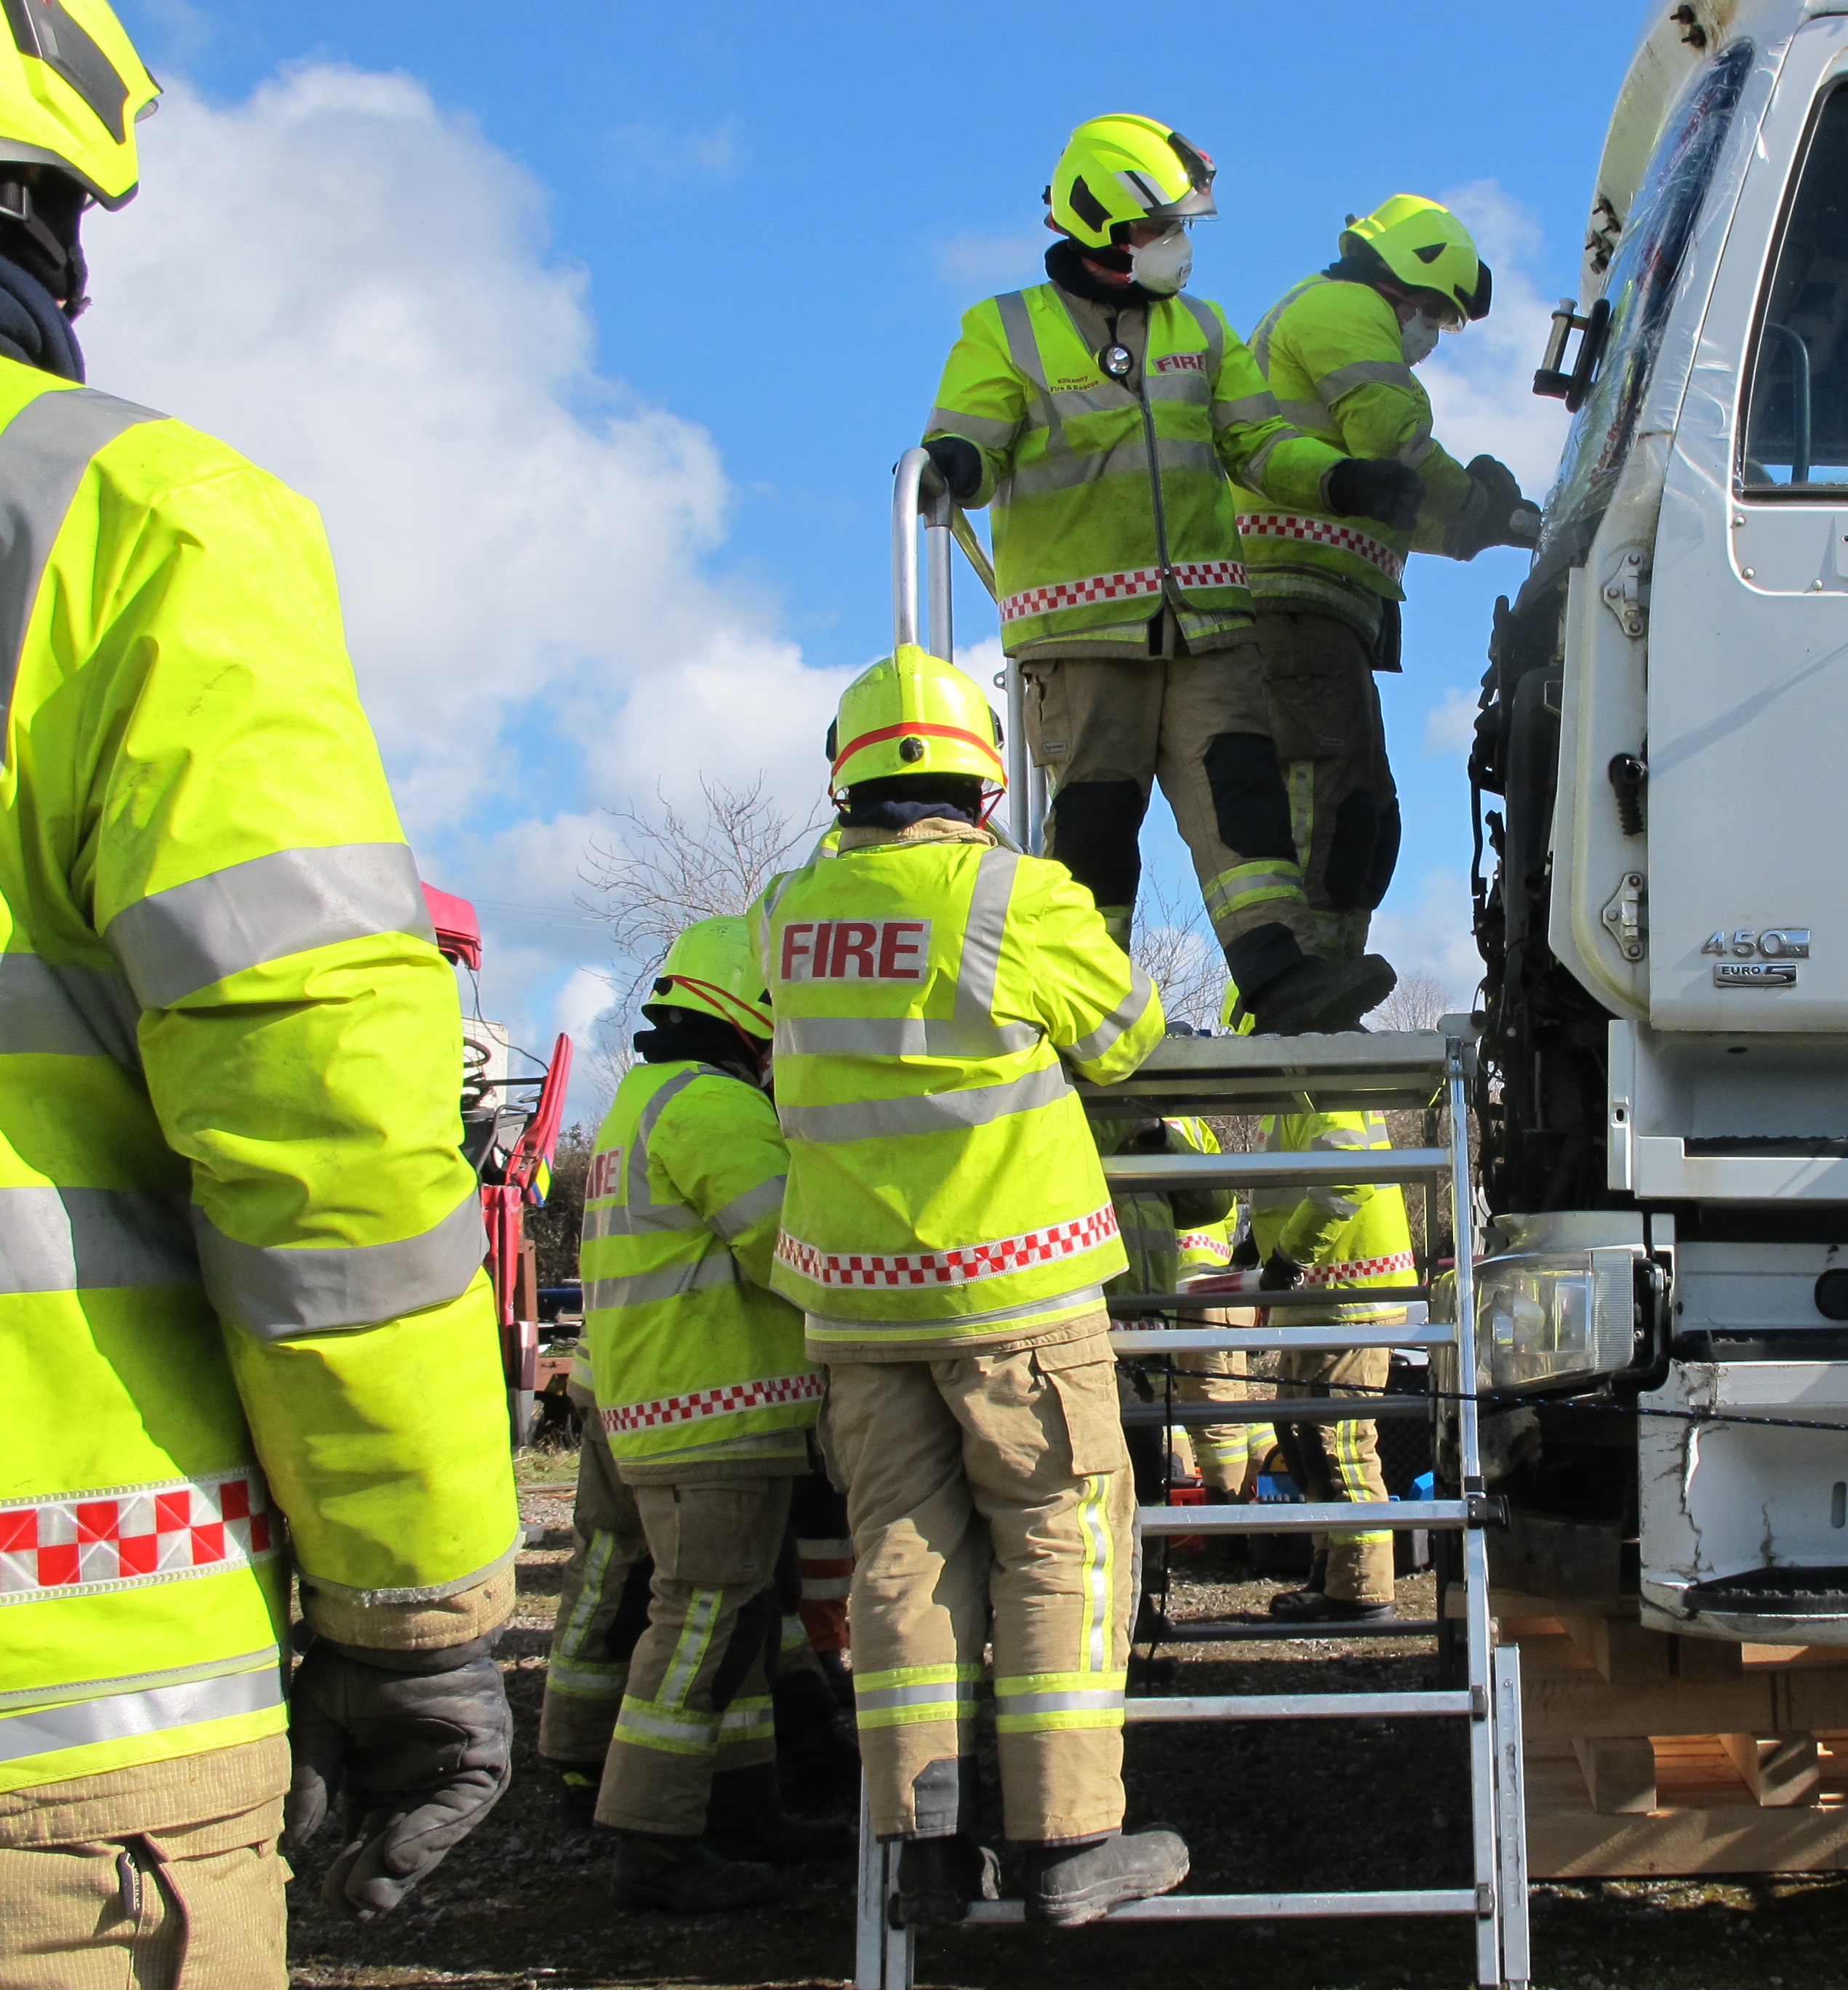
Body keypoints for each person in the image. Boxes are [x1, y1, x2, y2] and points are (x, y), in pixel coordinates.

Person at [0, 7, 519, 1979]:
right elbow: (328, 1149)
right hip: (61, 1719)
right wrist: (418, 1625)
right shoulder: (128, 523)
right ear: (56, 221)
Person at [752, 644, 1187, 1927]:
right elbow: (1126, 1038)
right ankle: (1065, 1845)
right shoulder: (1015, 897)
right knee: (1058, 1544)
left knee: (901, 1558)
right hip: (1016, 1295)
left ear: (843, 786)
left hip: (854, 1304)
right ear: (986, 789)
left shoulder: (784, 911)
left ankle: (926, 1851)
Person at [921, 113, 1421, 1036]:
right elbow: (973, 444)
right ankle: (1085, 1008)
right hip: (1082, 637)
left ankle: (1278, 976)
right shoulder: (1004, 333)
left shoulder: (1203, 328)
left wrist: (1341, 476)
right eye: (1162, 228)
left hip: (1207, 627)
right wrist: (953, 461)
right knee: (1096, 830)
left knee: (1245, 803)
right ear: (1108, 226)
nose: (1179, 246)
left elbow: (1260, 442)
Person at [560, 916, 842, 1909]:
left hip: (672, 1411)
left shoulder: (647, 1098)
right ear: (750, 1010)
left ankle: (744, 1809)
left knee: (744, 1627)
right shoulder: (712, 1110)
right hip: (716, 1418)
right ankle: (655, 1844)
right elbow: (792, 1250)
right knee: (703, 1629)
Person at [1235, 194, 1539, 959]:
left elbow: (1394, 503)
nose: (1432, 333)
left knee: (1364, 811)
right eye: (1433, 312)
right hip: (1289, 598)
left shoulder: (1337, 316)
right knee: (1325, 799)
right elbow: (1398, 443)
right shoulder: (1340, 310)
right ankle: (1297, 983)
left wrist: (1487, 528)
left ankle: (1325, 978)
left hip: (1326, 608)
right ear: (1402, 280)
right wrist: (1482, 503)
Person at [1224, 991, 1420, 1623]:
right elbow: (1294, 1180)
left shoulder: (1324, 1081)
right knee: (1304, 1437)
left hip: (1347, 1296)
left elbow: (1345, 1176)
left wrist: (1283, 1262)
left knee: (1339, 1440)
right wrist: (1255, 1247)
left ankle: (1361, 1591)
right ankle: (1329, 1571)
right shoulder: (1292, 1089)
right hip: (1314, 1296)